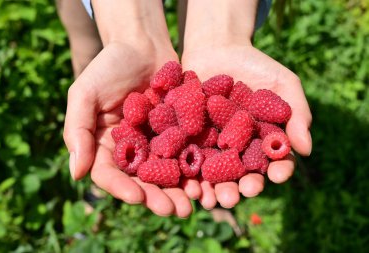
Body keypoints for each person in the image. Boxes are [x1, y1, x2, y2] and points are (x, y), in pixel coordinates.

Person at [58, 0, 312, 218]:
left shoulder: (207, 113)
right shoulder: (168, 114)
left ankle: (214, 197)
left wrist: (221, 33)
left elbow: (194, 124)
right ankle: (101, 185)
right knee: (88, 48)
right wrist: (131, 35)